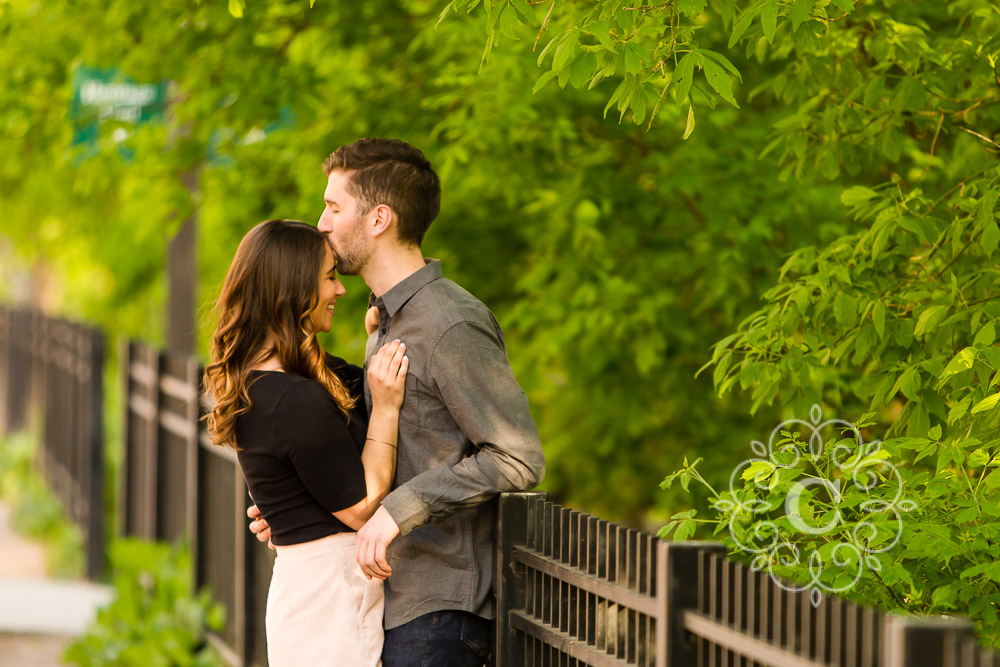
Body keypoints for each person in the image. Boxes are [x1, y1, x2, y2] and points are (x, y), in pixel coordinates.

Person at [248, 138, 546, 666]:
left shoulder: (448, 323)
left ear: (379, 218)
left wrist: (398, 511)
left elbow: (517, 456)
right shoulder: (385, 319)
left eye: (334, 207)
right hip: (389, 601)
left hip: (438, 612)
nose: (321, 223)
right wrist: (308, 505)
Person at [204, 219, 409, 666]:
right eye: (330, 277)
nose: (341, 291)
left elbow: (354, 403)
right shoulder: (293, 398)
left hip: (314, 593)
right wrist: (389, 410)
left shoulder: (284, 378)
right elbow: (361, 508)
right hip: (329, 605)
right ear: (293, 290)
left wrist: (378, 338)